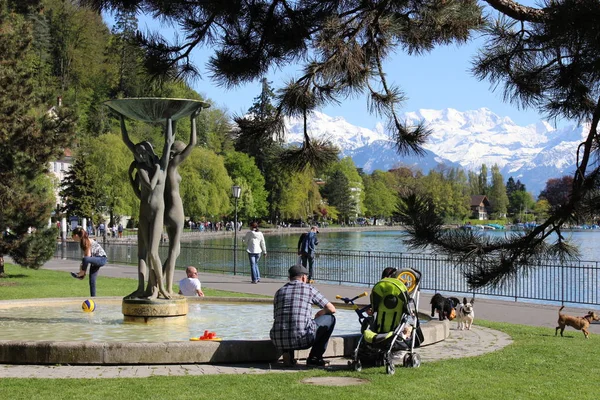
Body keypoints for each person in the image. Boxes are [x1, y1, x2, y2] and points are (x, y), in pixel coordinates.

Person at [163, 110, 200, 296]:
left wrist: (172, 121)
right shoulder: (172, 165)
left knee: (175, 250)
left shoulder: (163, 166)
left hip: (166, 210)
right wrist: (193, 120)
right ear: (178, 153)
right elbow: (193, 143)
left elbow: (167, 142)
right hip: (176, 210)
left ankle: (160, 278)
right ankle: (167, 287)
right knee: (174, 250)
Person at [270, 264, 336, 367]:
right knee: (330, 318)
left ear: (289, 278)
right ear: (304, 277)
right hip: (303, 339)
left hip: (278, 340)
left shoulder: (279, 292)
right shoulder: (309, 288)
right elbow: (332, 309)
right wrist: (320, 313)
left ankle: (288, 354)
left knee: (287, 319)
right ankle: (315, 357)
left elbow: (276, 316)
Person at [70, 226, 108, 297]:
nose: (72, 237)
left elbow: (87, 257)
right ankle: (93, 298)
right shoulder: (83, 242)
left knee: (85, 259)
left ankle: (81, 274)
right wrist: (81, 268)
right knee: (92, 280)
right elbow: (86, 257)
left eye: (72, 235)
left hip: (101, 259)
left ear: (76, 235)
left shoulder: (86, 241)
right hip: (95, 260)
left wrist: (82, 271)